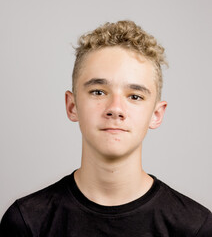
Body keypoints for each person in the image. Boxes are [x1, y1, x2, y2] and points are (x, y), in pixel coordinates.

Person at [0, 20, 211, 237]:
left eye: (135, 96)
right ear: (72, 106)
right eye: (98, 92)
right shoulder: (27, 222)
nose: (115, 109)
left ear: (156, 115)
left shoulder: (194, 227)